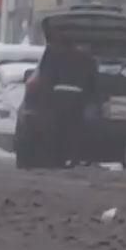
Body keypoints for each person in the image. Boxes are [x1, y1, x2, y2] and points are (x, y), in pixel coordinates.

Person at [40, 37, 98, 167]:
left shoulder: (56, 57)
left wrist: (48, 96)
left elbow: (47, 78)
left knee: (58, 129)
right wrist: (91, 98)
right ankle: (74, 159)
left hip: (58, 96)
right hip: (77, 98)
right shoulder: (87, 60)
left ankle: (57, 159)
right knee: (74, 130)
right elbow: (93, 83)